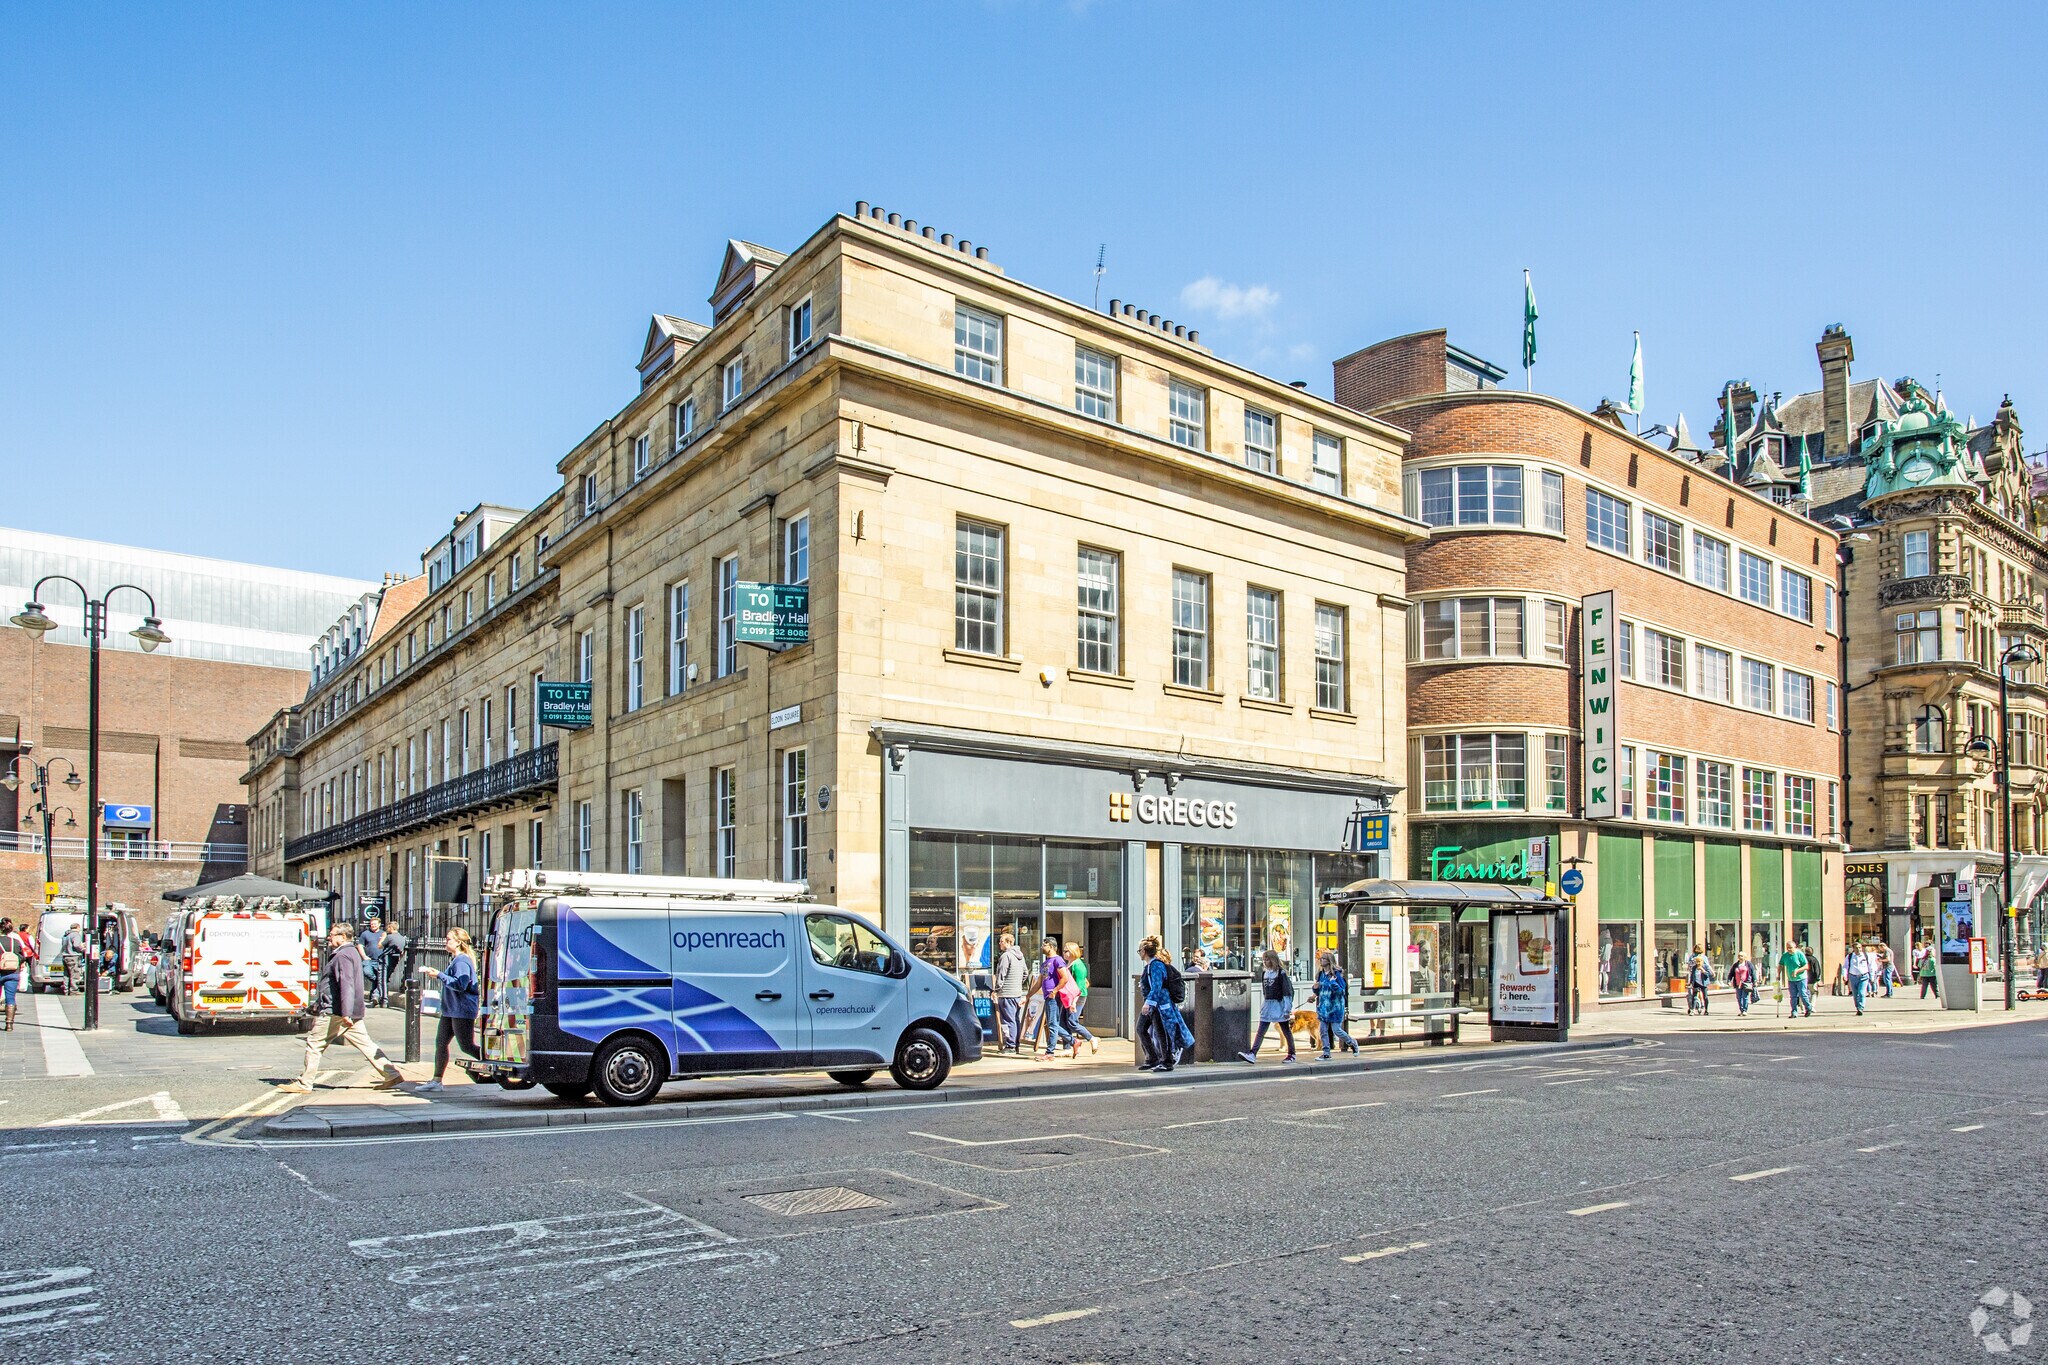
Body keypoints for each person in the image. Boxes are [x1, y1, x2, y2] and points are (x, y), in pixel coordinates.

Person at [279, 923, 404, 1094]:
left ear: (343, 937)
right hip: (348, 1011)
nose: (329, 937)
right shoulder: (351, 952)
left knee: (315, 1044)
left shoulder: (343, 955)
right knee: (366, 1044)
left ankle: (304, 1083)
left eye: (332, 934)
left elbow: (347, 984)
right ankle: (392, 1074)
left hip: (336, 1011)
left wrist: (346, 1012)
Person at [416, 927, 480, 1092]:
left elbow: (460, 984)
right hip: (451, 1010)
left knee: (466, 1046)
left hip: (461, 1010)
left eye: (448, 939)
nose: (445, 942)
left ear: (458, 942)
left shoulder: (462, 961)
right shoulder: (456, 960)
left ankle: (496, 1068)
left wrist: (439, 975)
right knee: (441, 1043)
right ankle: (436, 1080)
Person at [1136, 936, 1192, 1072]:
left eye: (1139, 950)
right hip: (1156, 1004)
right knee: (1142, 1029)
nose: (1139, 953)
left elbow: (1156, 986)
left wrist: (1148, 1003)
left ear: (1144, 951)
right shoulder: (1151, 966)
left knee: (1162, 1032)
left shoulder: (1155, 966)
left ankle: (1166, 1061)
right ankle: (1153, 1058)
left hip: (1160, 1005)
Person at [1239, 950, 1297, 1064]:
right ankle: (1253, 1053)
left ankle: (1292, 1053)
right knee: (1261, 1030)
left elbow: (1287, 991)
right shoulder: (1265, 973)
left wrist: (1287, 1008)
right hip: (1268, 1003)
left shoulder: (1281, 973)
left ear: (1273, 959)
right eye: (1264, 959)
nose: (1265, 962)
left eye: (1267, 959)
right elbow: (1265, 991)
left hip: (1279, 1004)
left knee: (1285, 1029)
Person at [1314, 950, 1358, 1059]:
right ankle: (1326, 1052)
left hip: (1335, 1007)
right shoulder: (1320, 974)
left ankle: (1352, 1043)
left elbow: (1341, 990)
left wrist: (1333, 983)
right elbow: (1320, 990)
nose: (1321, 960)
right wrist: (1314, 991)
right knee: (1323, 1030)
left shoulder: (1336, 974)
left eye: (1324, 958)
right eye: (1321, 959)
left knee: (1336, 1030)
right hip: (1324, 1007)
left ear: (1329, 961)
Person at [1062, 941, 1098, 1056]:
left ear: (1073, 951)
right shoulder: (1069, 964)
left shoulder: (1078, 965)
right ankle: (1067, 1047)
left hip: (1077, 997)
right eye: (1064, 950)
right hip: (1068, 996)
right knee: (1063, 1021)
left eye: (1066, 950)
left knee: (1072, 1022)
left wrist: (1074, 1002)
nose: (1064, 952)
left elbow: (1080, 986)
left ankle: (1091, 1038)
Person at [993, 933, 1027, 1054]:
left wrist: (996, 990)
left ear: (1008, 943)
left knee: (1008, 1021)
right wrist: (1018, 984)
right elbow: (1025, 973)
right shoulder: (1020, 956)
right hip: (1017, 993)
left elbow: (1001, 974)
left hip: (1006, 993)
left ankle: (1010, 1046)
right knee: (1015, 1020)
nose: (999, 943)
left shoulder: (1006, 956)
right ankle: (1016, 1044)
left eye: (1001, 941)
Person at [1037, 939, 1071, 1058]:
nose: (1042, 947)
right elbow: (1039, 982)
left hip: (1054, 997)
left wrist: (1054, 991)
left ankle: (1050, 1052)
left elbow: (1064, 978)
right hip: (1048, 996)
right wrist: (1027, 996)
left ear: (1051, 946)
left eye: (1044, 945)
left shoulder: (1058, 960)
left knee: (1052, 1024)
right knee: (1053, 1024)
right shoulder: (1045, 963)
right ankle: (1074, 1042)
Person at [0, 917, 27, 1031]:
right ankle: (9, 1024)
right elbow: (22, 956)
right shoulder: (15, 942)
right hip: (13, 972)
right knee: (10, 998)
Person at [1778, 941, 1812, 1017]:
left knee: (1803, 994)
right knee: (1793, 996)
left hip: (1801, 978)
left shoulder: (1799, 954)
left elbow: (1806, 966)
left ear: (1795, 947)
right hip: (1791, 979)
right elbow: (1780, 965)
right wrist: (1778, 975)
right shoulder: (1785, 955)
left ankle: (1808, 1007)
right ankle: (1794, 1012)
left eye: (1791, 948)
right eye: (1788, 948)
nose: (1789, 949)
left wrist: (1797, 970)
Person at [359, 917, 388, 1004]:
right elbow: (360, 945)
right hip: (369, 959)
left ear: (379, 924)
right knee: (367, 972)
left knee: (380, 978)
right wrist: (364, 956)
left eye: (375, 924)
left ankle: (375, 995)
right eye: (371, 924)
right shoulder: (365, 934)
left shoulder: (383, 934)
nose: (373, 925)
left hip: (380, 960)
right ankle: (376, 989)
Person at [1846, 942, 1875, 1016]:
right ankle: (1857, 1007)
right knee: (1855, 994)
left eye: (1859, 947)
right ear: (1853, 949)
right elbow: (1845, 966)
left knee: (1861, 993)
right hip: (1853, 977)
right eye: (1856, 948)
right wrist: (1844, 975)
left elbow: (1871, 966)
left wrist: (1872, 976)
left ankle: (1861, 1008)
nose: (1858, 949)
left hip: (1864, 976)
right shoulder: (1850, 956)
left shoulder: (1866, 956)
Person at [1685, 945, 1712, 1016]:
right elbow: (1692, 975)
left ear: (1702, 961)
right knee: (1694, 996)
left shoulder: (1704, 964)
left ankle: (1706, 1009)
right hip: (1696, 983)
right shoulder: (1694, 966)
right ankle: (1693, 1010)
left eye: (1699, 962)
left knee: (1705, 997)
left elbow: (1708, 974)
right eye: (1697, 962)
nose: (1698, 963)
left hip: (1703, 983)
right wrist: (1690, 983)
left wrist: (1703, 970)